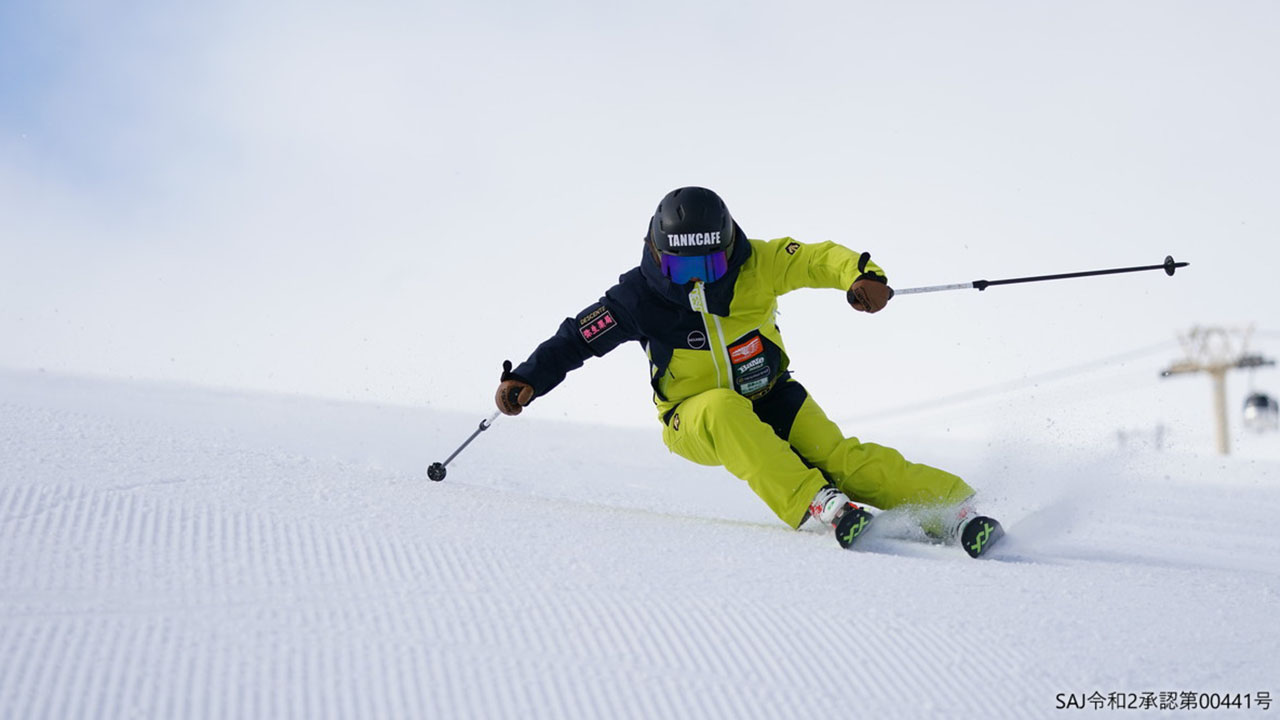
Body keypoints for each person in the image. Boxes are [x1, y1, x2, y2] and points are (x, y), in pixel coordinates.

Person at [495, 186, 1003, 556]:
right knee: (722, 408)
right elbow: (576, 338)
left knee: (840, 456)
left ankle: (953, 507)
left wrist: (862, 276)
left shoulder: (759, 262)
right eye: (681, 270)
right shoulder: (635, 297)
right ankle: (815, 502)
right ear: (657, 255)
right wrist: (529, 377)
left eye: (709, 267)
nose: (696, 280)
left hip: (770, 391)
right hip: (692, 418)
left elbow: (818, 259)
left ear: (729, 248)